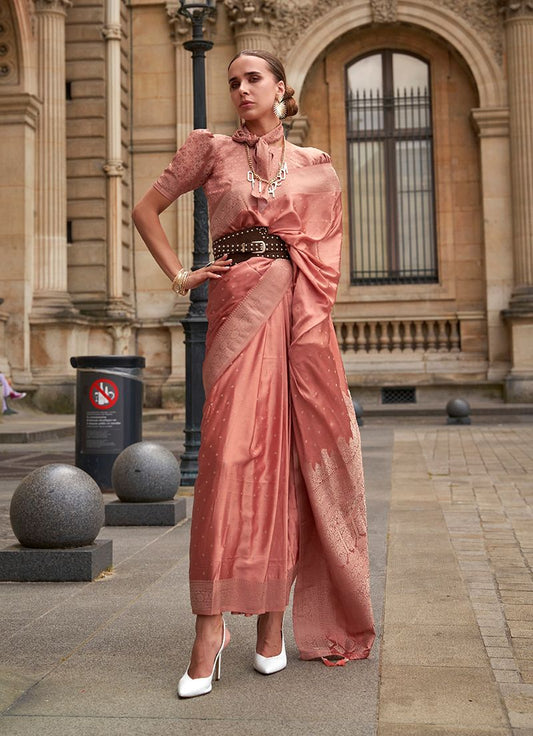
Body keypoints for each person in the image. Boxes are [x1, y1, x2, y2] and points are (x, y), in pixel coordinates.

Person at [132, 49, 375, 699]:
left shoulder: (315, 167)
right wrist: (179, 275)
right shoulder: (210, 152)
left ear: (281, 89)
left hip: (298, 322)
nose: (240, 88)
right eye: (233, 80)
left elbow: (326, 252)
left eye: (252, 78)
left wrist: (308, 322)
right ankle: (209, 630)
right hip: (235, 308)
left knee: (290, 469)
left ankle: (271, 629)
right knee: (226, 462)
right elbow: (144, 210)